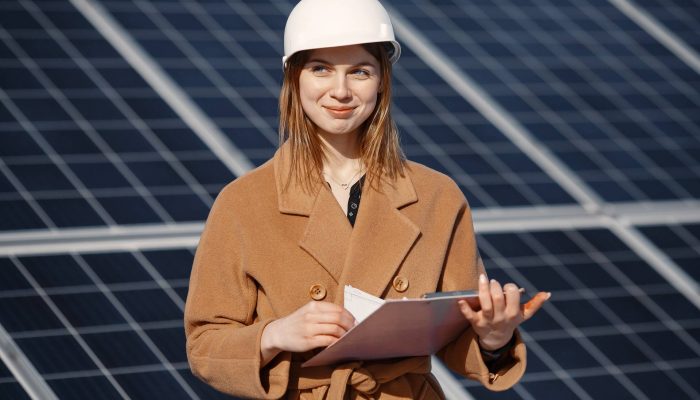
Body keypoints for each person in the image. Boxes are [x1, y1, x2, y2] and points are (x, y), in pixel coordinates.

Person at [184, 0, 550, 398]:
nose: (340, 91)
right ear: (294, 77)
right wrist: (274, 334)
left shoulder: (437, 197)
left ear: (381, 81)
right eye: (320, 68)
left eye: (359, 71)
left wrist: (493, 340)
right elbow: (205, 346)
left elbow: (455, 332)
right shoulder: (243, 202)